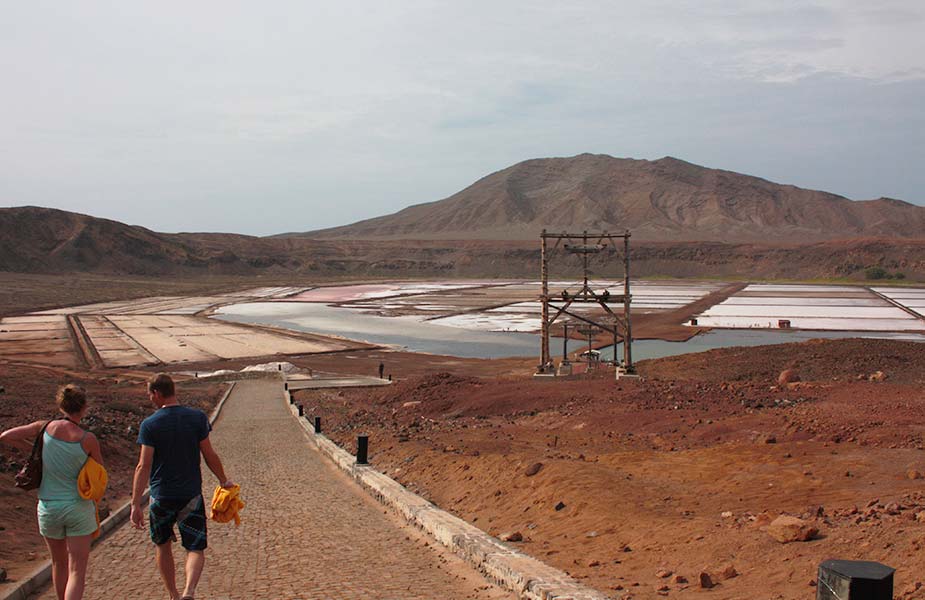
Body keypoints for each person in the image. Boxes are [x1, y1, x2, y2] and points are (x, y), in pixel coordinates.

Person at [130, 374, 233, 600]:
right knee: (195, 547)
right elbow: (209, 454)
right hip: (191, 496)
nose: (150, 399)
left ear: (157, 393)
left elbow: (143, 465)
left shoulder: (149, 425)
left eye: (150, 395)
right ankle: (189, 591)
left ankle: (173, 594)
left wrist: (136, 503)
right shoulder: (196, 418)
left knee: (162, 545)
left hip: (160, 497)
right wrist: (223, 480)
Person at [0, 385, 103, 600]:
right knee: (77, 569)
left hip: (48, 507)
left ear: (61, 405)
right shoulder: (87, 439)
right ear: (83, 408)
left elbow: (6, 435)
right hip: (77, 507)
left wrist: (36, 450)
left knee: (58, 563)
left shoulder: (43, 427)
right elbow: (99, 472)